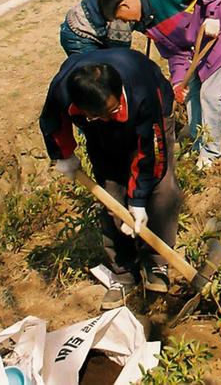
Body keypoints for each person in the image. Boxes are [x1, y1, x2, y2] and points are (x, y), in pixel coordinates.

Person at [40, 49, 182, 307]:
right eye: (98, 115)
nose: (107, 118)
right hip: (100, 136)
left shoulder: (142, 93)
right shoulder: (63, 90)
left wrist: (138, 201)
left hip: (152, 118)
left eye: (110, 111)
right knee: (110, 194)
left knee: (162, 189)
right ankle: (123, 272)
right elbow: (52, 121)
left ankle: (156, 262)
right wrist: (63, 155)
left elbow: (149, 154)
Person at [99, 0, 221, 170]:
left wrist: (212, 16)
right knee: (191, 93)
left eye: (123, 18)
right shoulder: (147, 24)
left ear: (125, 5)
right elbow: (175, 53)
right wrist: (178, 81)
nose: (127, 23)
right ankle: (198, 142)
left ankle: (211, 153)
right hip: (199, 49)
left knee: (210, 95)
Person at [60, 0, 142, 55]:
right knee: (102, 62)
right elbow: (118, 52)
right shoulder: (118, 20)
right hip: (79, 35)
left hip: (87, 20)